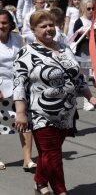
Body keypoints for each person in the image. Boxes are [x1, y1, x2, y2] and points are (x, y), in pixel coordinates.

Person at [13, 10, 96, 195]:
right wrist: (20, 113)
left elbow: (77, 76)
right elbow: (19, 85)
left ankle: (40, 182)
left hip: (66, 112)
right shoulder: (26, 52)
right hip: (40, 113)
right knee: (53, 153)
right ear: (33, 30)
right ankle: (61, 190)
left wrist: (89, 95)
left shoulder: (64, 47)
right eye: (43, 26)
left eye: (51, 25)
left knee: (49, 153)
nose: (48, 29)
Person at [0, 9, 38, 173]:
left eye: (4, 22)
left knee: (24, 121)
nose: (1, 26)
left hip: (19, 87)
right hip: (1, 88)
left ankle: (27, 159)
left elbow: (27, 60)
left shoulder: (18, 39)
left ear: (10, 24)